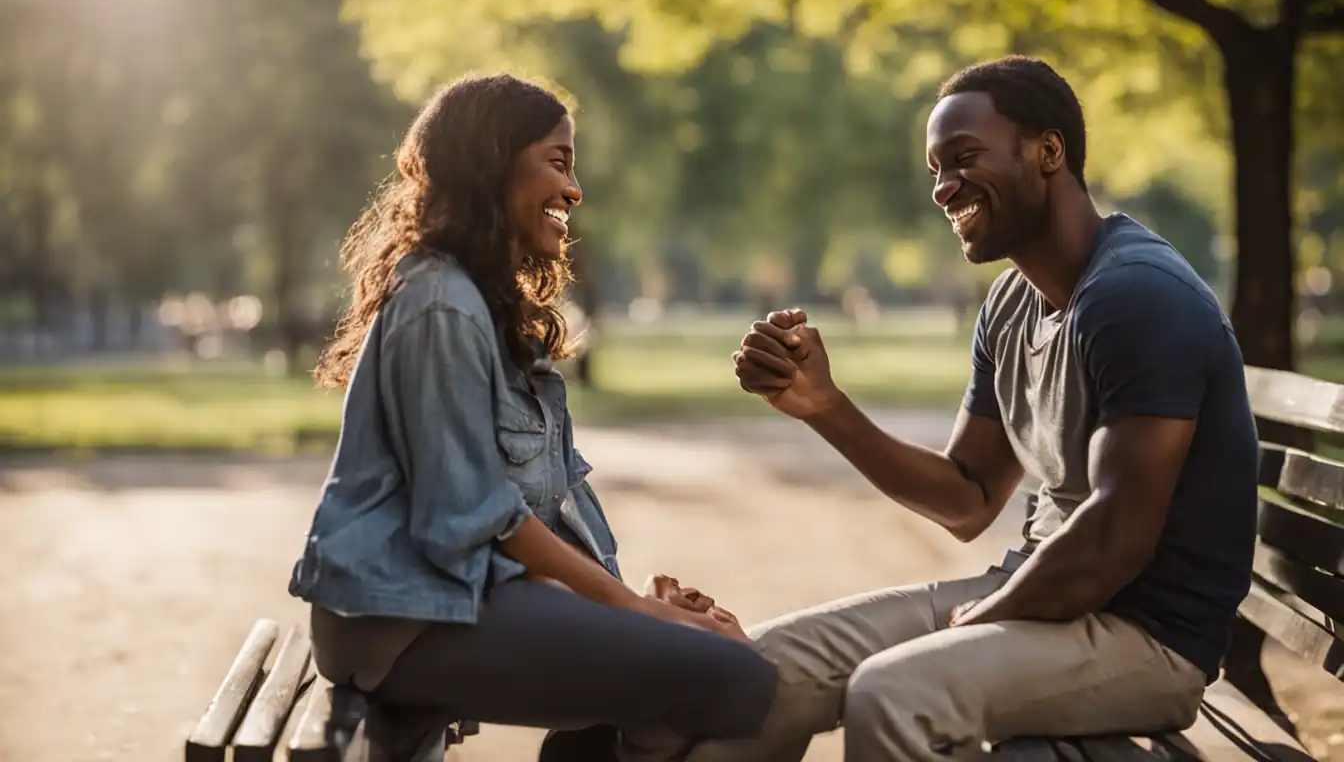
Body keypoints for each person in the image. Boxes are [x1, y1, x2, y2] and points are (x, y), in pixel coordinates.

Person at [715, 56, 1259, 760]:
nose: (944, 189)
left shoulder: (1136, 296)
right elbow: (968, 496)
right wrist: (825, 406)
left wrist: (977, 621)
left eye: (964, 158)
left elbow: (1115, 541)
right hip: (1040, 595)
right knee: (760, 671)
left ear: (1048, 151)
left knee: (894, 694)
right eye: (936, 168)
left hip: (1146, 637)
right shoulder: (1010, 305)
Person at [286, 73, 776, 760]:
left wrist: (630, 600)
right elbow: (470, 518)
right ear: (493, 161)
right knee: (741, 683)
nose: (574, 192)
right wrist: (634, 611)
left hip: (443, 602)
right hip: (403, 623)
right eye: (559, 161)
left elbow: (533, 509)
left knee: (705, 678)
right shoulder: (440, 303)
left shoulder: (477, 303)